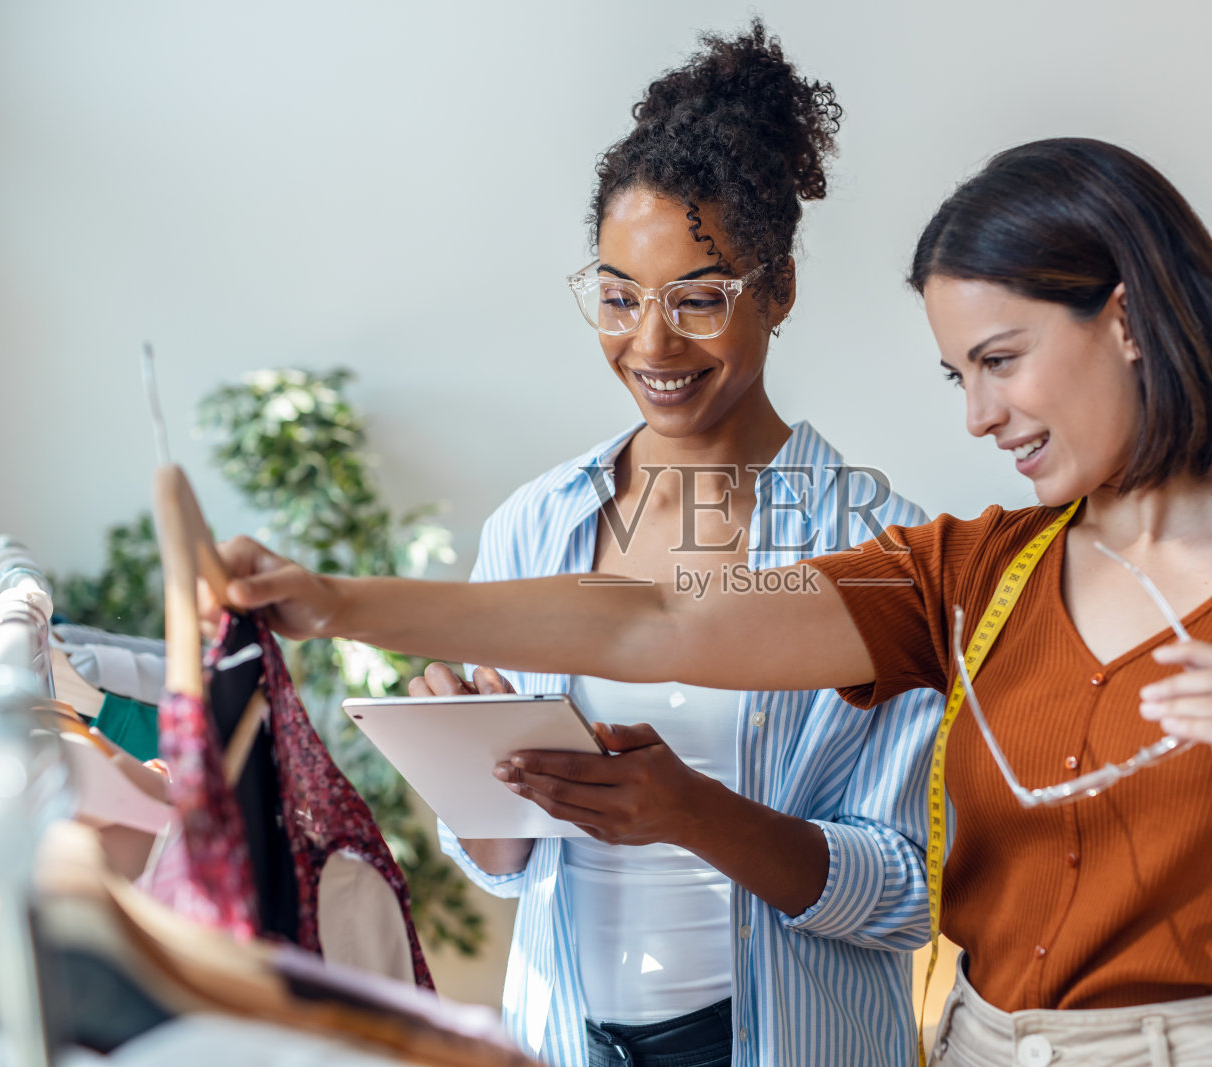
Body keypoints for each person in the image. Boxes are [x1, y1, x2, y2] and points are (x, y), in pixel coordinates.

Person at [217, 138, 1212, 1066]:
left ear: (1127, 318)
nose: (978, 416)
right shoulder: (973, 572)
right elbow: (649, 622)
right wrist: (330, 599)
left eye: (1002, 361)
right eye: (957, 371)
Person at [401, 22, 941, 1067]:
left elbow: (908, 890)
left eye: (698, 299)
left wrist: (694, 813)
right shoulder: (535, 524)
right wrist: (471, 781)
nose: (649, 345)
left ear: (778, 290)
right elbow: (507, 864)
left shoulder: (881, 547)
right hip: (567, 1036)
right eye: (617, 296)